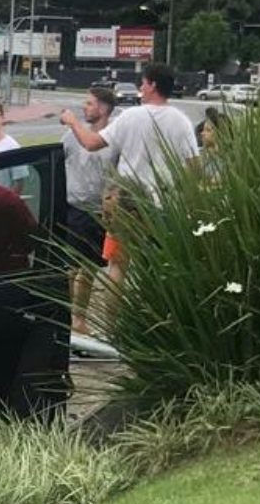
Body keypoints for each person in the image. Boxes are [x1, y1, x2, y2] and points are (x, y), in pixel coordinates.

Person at [60, 63, 198, 315]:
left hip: (126, 206)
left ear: (153, 84)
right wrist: (188, 207)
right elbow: (193, 169)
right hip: (163, 207)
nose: (140, 89)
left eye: (143, 83)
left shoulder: (131, 117)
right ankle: (151, 322)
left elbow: (91, 143)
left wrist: (71, 122)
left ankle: (113, 328)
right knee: (157, 270)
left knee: (117, 268)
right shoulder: (182, 122)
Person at [62, 86, 116, 335]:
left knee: (89, 267)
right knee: (72, 266)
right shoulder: (70, 137)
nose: (85, 107)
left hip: (99, 210)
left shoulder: (112, 138)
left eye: (90, 103)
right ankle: (72, 316)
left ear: (103, 109)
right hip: (73, 207)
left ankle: (78, 317)